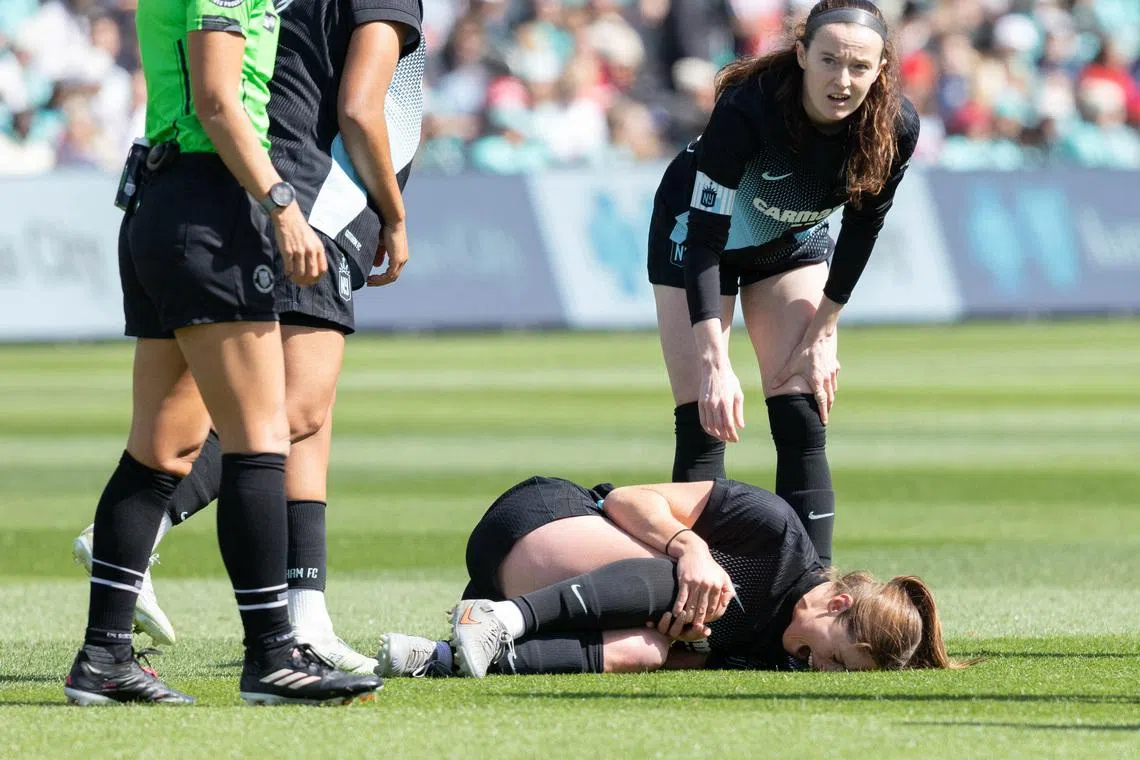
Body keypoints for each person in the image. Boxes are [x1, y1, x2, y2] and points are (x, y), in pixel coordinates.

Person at [72, 0, 427, 674]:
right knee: (270, 430)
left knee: (167, 447)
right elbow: (234, 102)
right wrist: (293, 206)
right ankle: (271, 655)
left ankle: (111, 654)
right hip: (262, 198)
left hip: (186, 193)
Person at [648, 0, 919, 567]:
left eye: (859, 67)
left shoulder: (896, 125)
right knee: (705, 418)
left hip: (788, 241)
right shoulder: (749, 109)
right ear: (801, 55)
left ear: (881, 70)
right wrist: (715, 359)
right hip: (696, 237)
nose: (842, 81)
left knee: (801, 405)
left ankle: (810, 590)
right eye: (828, 61)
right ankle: (703, 604)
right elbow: (704, 236)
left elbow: (862, 230)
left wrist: (823, 330)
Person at [377, 475, 962, 678]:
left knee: (651, 649)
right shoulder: (777, 532)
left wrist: (687, 644)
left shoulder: (781, 650)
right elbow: (627, 501)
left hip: (550, 588)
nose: (817, 667)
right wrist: (691, 548)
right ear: (836, 604)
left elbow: (680, 649)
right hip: (539, 524)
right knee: (700, 582)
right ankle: (501, 620)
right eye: (833, 658)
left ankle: (438, 658)